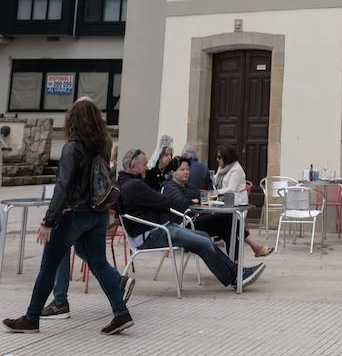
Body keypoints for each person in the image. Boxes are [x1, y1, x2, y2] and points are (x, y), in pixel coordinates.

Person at [3, 100, 133, 335]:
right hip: (97, 212)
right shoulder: (102, 146)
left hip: (74, 214)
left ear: (72, 119)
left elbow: (63, 187)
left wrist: (48, 221)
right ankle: (121, 313)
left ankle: (31, 318)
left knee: (48, 266)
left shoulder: (72, 148)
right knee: (100, 264)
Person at [117, 149, 266, 290]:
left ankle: (237, 273)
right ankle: (237, 276)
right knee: (204, 241)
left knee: (205, 237)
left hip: (156, 229)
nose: (147, 168)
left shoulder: (127, 183)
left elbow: (162, 201)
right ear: (132, 166)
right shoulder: (135, 185)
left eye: (187, 169)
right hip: (153, 233)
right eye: (144, 164)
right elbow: (165, 202)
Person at [163, 158, 273, 257]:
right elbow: (182, 203)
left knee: (229, 227)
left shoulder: (188, 186)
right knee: (229, 219)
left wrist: (204, 200)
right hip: (185, 225)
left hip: (196, 220)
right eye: (182, 170)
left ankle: (235, 265)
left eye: (187, 169)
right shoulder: (171, 186)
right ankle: (253, 248)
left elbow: (204, 198)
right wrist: (195, 201)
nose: (186, 172)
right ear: (173, 172)